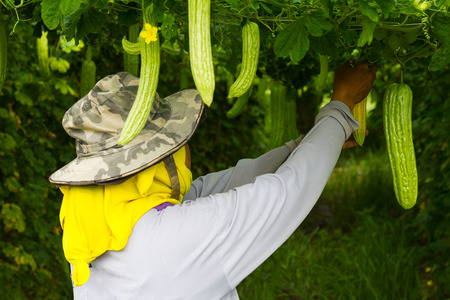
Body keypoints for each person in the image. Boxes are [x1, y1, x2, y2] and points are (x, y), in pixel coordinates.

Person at [49, 61, 377, 299]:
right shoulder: (176, 239)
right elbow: (288, 191)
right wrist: (341, 105)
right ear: (160, 157)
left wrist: (303, 144)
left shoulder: (95, 227)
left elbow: (230, 183)